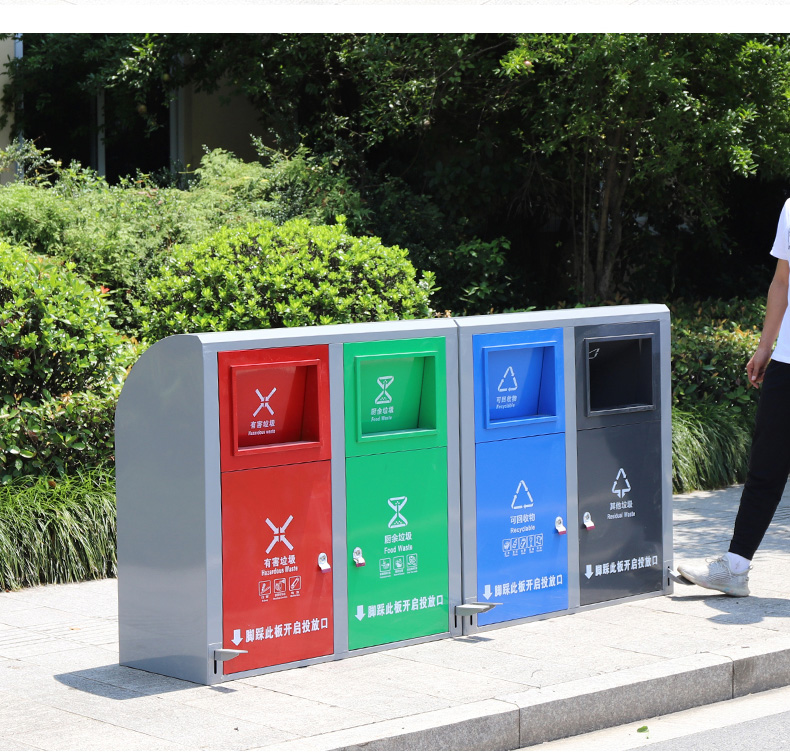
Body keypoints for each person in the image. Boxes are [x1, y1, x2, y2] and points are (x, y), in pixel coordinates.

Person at [677, 199, 790, 597]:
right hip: (787, 361)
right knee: (766, 467)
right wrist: (765, 347)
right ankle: (735, 568)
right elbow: (782, 280)